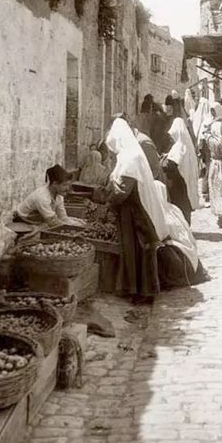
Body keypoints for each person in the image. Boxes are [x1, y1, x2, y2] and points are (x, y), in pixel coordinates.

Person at [93, 118, 168, 304]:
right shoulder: (127, 155)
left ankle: (143, 292)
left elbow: (122, 191)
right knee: (131, 251)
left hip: (136, 212)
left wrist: (105, 201)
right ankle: (132, 288)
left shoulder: (131, 158)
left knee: (139, 250)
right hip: (129, 212)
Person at [155, 181, 209, 288]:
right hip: (190, 249)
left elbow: (162, 235)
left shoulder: (159, 213)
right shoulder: (174, 208)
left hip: (178, 253)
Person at [15, 164, 86, 229]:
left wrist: (77, 224)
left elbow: (62, 217)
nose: (68, 188)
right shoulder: (42, 197)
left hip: (43, 216)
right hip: (25, 218)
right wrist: (75, 228)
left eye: (68, 185)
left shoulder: (59, 195)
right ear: (55, 184)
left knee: (78, 223)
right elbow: (53, 222)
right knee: (47, 227)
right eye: (64, 185)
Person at [163, 117, 199, 224]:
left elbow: (172, 164)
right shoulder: (185, 144)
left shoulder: (179, 146)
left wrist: (163, 162)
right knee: (184, 203)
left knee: (179, 204)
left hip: (178, 181)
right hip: (183, 179)